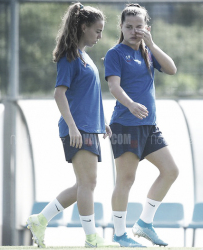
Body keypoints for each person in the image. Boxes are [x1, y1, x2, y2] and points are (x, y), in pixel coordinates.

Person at [26, 3, 118, 248]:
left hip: (89, 127)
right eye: (97, 30)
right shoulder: (70, 56)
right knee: (88, 184)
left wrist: (103, 122)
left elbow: (88, 95)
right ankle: (91, 239)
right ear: (83, 27)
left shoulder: (85, 56)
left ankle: (40, 219)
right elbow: (59, 94)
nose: (100, 36)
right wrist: (73, 127)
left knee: (82, 185)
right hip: (77, 130)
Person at [104, 3, 179, 247]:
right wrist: (131, 105)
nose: (134, 31)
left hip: (149, 126)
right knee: (125, 180)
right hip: (125, 125)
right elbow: (114, 86)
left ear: (147, 27)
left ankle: (144, 224)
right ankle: (118, 234)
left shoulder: (148, 52)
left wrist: (153, 44)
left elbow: (171, 69)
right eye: (129, 27)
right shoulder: (116, 53)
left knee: (170, 171)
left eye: (139, 26)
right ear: (122, 28)